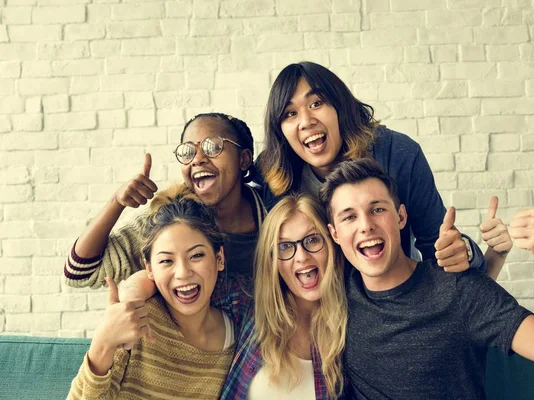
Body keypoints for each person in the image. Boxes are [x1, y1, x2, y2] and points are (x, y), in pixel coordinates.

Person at [319, 158, 534, 400]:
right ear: (334, 234)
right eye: (349, 217)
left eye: (377, 209)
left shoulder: (457, 289)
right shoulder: (335, 299)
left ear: (401, 217)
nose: (366, 225)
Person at [258, 61, 484, 275]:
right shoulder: (273, 171)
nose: (306, 121)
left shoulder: (397, 153)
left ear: (340, 106)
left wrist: (465, 251)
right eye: (290, 113)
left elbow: (438, 245)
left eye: (316, 103)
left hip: (390, 298)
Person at [124, 193, 347, 399]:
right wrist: (132, 294)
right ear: (272, 259)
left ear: (332, 240)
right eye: (285, 247)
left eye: (313, 240)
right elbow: (182, 280)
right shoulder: (247, 303)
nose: (301, 257)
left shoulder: (352, 322)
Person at [67, 185, 242, 399]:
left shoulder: (237, 336)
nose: (183, 273)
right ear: (148, 268)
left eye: (196, 256)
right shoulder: (136, 318)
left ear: (219, 258)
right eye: (167, 260)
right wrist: (104, 342)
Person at [64, 112, 266, 288]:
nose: (197, 159)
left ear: (244, 159)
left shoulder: (270, 211)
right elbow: (79, 274)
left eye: (213, 147)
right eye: (188, 151)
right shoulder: (167, 217)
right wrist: (116, 203)